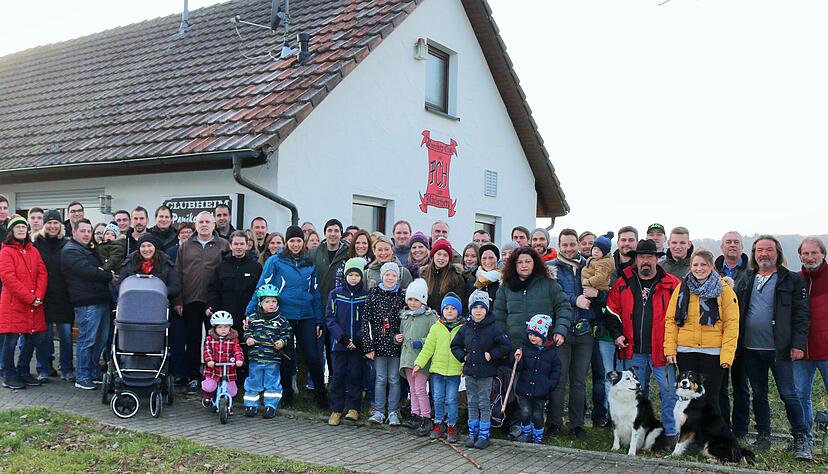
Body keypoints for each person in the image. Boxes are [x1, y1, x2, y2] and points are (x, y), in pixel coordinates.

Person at [738, 235, 810, 459]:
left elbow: (801, 316)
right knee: (759, 394)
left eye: (769, 249)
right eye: (760, 250)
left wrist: (798, 345)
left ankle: (801, 439)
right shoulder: (747, 277)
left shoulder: (791, 279)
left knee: (789, 394)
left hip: (780, 349)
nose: (764, 254)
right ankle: (763, 436)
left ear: (777, 253)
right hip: (750, 348)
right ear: (754, 254)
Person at [605, 239, 680, 443]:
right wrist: (617, 334)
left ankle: (671, 435)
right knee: (636, 396)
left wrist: (674, 345)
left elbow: (681, 315)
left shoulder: (672, 284)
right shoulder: (623, 282)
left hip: (662, 352)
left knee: (669, 393)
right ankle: (637, 435)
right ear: (636, 259)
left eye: (649, 257)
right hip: (632, 350)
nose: (645, 261)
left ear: (657, 259)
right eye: (641, 257)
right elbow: (612, 310)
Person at [246, 225, 325, 408]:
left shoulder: (309, 262)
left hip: (306, 315)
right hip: (284, 316)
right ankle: (286, 394)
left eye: (298, 241)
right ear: (287, 242)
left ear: (303, 242)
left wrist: (319, 320)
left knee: (312, 356)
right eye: (292, 241)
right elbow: (261, 288)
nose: (295, 244)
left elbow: (316, 293)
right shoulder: (275, 261)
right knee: (286, 356)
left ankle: (321, 395)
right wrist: (249, 312)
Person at [664, 249, 739, 415]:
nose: (699, 268)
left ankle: (713, 437)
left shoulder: (724, 290)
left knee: (711, 397)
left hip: (713, 353)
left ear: (711, 266)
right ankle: (690, 436)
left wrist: (727, 355)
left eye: (703, 264)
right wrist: (670, 349)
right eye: (695, 264)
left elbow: (731, 324)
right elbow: (670, 320)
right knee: (688, 397)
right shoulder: (681, 289)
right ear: (690, 266)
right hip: (686, 351)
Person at [173, 211, 230, 394]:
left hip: (213, 301)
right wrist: (178, 300)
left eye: (207, 222)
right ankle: (194, 378)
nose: (204, 225)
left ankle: (214, 377)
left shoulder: (223, 245)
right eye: (201, 222)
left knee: (215, 340)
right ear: (195, 225)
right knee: (193, 340)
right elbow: (177, 274)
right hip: (190, 300)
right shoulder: (185, 246)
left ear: (214, 225)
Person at [546, 229, 595, 439]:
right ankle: (554, 423)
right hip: (561, 331)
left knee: (578, 381)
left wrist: (596, 295)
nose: (568, 249)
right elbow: (555, 294)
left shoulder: (588, 266)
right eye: (564, 245)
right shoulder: (552, 268)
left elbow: (599, 291)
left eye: (572, 244)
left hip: (584, 331)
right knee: (559, 378)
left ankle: (577, 424)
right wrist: (575, 299)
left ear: (578, 244)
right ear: (560, 245)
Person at [451, 289, 511, 449]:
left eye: (482, 307)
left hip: (486, 373)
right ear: (470, 309)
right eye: (475, 307)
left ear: (487, 309)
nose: (478, 311)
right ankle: (473, 433)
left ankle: (484, 434)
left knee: (484, 403)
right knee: (472, 402)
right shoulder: (465, 328)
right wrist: (464, 357)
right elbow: (455, 345)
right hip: (470, 372)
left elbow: (505, 346)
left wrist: (492, 354)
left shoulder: (494, 328)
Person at [61, 218, 115, 390]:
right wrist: (108, 275)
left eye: (88, 231)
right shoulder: (70, 251)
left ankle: (93, 372)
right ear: (74, 232)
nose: (86, 234)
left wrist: (103, 272)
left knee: (100, 339)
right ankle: (82, 376)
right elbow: (87, 271)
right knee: (87, 339)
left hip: (100, 300)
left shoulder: (88, 249)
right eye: (82, 231)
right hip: (87, 304)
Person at [0, 216, 48, 390]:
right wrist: (30, 298)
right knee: (10, 341)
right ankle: (9, 374)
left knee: (32, 339)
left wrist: (39, 296)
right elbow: (8, 278)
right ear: (11, 231)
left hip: (34, 304)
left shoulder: (33, 250)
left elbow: (42, 273)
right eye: (17, 227)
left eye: (23, 227)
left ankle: (23, 371)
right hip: (14, 304)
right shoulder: (6, 251)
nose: (21, 229)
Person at [494, 247, 571, 346]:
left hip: (543, 344)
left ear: (534, 263)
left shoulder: (549, 283)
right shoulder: (505, 286)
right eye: (519, 262)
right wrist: (503, 338)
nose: (524, 265)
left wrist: (560, 330)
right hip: (515, 345)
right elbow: (499, 315)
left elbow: (563, 307)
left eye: (528, 261)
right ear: (514, 264)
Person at [413, 292, 464, 443]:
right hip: (437, 371)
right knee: (438, 398)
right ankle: (438, 423)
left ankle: (452, 425)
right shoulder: (436, 327)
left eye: (453, 308)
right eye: (446, 308)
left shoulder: (462, 328)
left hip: (454, 372)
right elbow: (428, 347)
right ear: (442, 310)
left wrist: (463, 364)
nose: (449, 311)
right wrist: (419, 363)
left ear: (458, 311)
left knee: (451, 399)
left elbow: (466, 349)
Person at [714, 230, 751, 434]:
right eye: (728, 242)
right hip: (718, 338)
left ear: (742, 247)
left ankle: (740, 428)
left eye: (736, 242)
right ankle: (722, 426)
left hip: (743, 338)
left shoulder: (751, 273)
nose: (732, 245)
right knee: (720, 386)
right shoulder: (713, 271)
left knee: (741, 386)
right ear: (722, 247)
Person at [32, 210, 75, 382]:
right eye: (49, 222)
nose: (52, 226)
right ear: (44, 225)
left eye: (56, 223)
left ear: (61, 225)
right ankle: (43, 368)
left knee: (65, 336)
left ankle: (66, 369)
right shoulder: (36, 244)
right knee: (44, 337)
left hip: (64, 297)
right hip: (44, 297)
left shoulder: (67, 244)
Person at [326, 257, 369, 426]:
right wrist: (342, 338)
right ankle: (336, 409)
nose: (353, 278)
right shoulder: (335, 294)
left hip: (357, 345)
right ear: (345, 276)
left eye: (356, 275)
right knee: (338, 376)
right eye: (350, 274)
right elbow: (330, 319)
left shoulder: (366, 295)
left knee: (356, 376)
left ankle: (353, 408)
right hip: (340, 345)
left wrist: (357, 339)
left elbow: (367, 319)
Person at [363, 262, 406, 426]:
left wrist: (402, 338)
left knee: (394, 379)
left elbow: (406, 320)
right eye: (387, 274)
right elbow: (366, 321)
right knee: (380, 378)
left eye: (394, 275)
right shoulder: (373, 294)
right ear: (382, 276)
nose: (390, 278)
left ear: (398, 278)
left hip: (395, 345)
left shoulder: (401, 296)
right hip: (378, 345)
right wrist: (368, 346)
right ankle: (379, 412)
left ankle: (393, 412)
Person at [794, 236, 828, 447]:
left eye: (814, 252)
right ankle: (805, 439)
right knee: (800, 396)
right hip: (802, 351)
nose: (810, 257)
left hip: (826, 349)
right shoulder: (796, 279)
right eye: (805, 253)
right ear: (800, 256)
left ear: (823, 253)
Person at [243, 284, 293, 418]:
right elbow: (247, 331)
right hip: (256, 359)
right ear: (260, 302)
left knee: (272, 384)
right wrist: (249, 338)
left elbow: (287, 334)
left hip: (272, 359)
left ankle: (270, 406)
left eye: (274, 301)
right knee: (253, 382)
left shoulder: (281, 320)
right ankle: (250, 405)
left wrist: (282, 342)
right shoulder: (253, 318)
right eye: (267, 301)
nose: (271, 304)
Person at [513, 314, 562, 444]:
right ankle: (526, 433)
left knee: (537, 415)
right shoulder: (525, 349)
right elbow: (519, 368)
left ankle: (538, 436)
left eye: (535, 335)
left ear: (543, 335)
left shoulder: (551, 352)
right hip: (524, 388)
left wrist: (550, 384)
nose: (532, 337)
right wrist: (517, 360)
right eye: (530, 334)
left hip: (541, 390)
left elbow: (556, 369)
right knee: (524, 412)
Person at [399, 278, 438, 436]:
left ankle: (426, 417)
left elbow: (433, 337)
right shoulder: (405, 317)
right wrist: (397, 338)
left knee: (421, 389)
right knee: (412, 389)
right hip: (407, 359)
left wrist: (420, 342)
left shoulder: (429, 317)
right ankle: (415, 414)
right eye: (410, 299)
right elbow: (402, 332)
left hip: (421, 359)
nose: (413, 303)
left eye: (416, 299)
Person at [207, 231, 262, 335]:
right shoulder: (221, 267)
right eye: (236, 244)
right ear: (230, 246)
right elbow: (213, 289)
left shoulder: (256, 267)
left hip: (248, 317)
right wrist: (212, 305)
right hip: (226, 319)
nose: (239, 247)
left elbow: (259, 291)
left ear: (247, 246)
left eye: (242, 244)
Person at [200, 311, 244, 408]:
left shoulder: (233, 339)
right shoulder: (210, 339)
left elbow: (237, 350)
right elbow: (207, 350)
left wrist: (239, 360)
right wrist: (209, 361)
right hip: (214, 368)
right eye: (220, 327)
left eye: (226, 327)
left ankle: (228, 403)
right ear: (215, 328)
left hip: (228, 369)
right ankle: (207, 397)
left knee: (232, 391)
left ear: (230, 327)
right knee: (209, 386)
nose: (223, 330)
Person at [117, 234, 181, 300]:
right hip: (134, 301)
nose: (146, 249)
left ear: (155, 247)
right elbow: (119, 286)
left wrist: (158, 289)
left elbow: (175, 288)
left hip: (157, 302)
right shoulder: (130, 263)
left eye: (149, 246)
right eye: (143, 246)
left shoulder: (165, 263)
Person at [421, 238, 467, 313]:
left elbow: (459, 301)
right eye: (439, 254)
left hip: (448, 318)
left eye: (445, 255)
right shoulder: (424, 274)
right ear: (433, 255)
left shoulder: (456, 276)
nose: (441, 258)